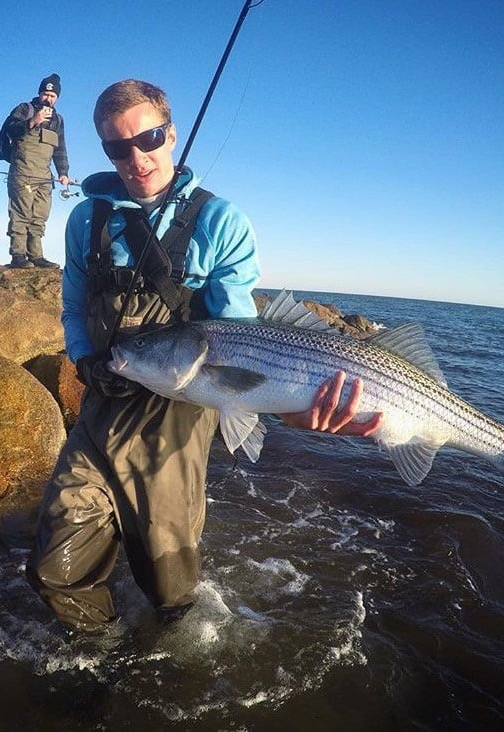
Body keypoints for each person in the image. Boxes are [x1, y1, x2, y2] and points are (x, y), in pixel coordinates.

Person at [26, 79, 381, 632]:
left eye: (149, 138)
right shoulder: (85, 220)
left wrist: (286, 407)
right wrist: (82, 357)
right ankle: (93, 662)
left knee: (168, 587)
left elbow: (240, 340)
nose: (136, 158)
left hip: (179, 415)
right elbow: (73, 306)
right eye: (117, 148)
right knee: (55, 571)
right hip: (101, 407)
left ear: (172, 134)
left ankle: (164, 669)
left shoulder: (221, 223)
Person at [4, 73, 71, 269]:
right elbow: (11, 130)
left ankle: (36, 255)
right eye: (45, 93)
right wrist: (32, 121)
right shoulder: (25, 109)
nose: (48, 98)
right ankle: (18, 255)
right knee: (21, 214)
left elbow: (60, 148)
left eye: (52, 95)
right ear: (39, 93)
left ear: (57, 97)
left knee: (40, 216)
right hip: (22, 172)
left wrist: (63, 172)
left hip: (44, 176)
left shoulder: (58, 120)